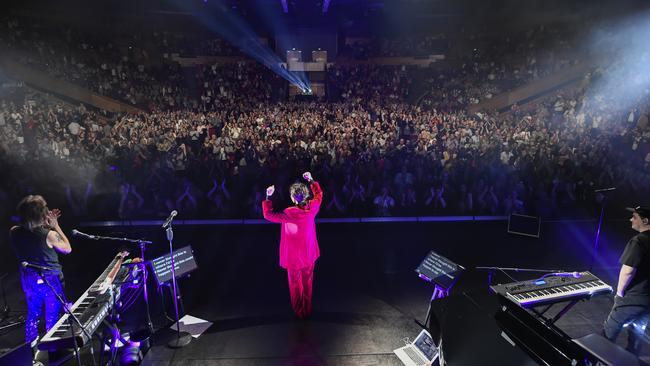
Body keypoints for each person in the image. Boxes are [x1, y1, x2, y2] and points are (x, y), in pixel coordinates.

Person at [9, 195, 72, 346]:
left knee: (33, 315)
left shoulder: (14, 232)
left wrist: (44, 224)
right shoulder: (49, 235)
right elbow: (67, 249)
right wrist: (55, 225)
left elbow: (31, 233)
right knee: (52, 316)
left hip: (30, 281)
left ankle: (30, 350)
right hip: (51, 281)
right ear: (42, 214)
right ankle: (53, 349)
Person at [263, 172, 322, 318]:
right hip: (309, 253)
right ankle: (306, 310)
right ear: (306, 195)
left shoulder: (289, 213)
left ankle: (299, 311)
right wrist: (311, 180)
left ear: (292, 198)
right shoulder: (313, 207)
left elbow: (268, 215)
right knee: (308, 282)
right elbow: (319, 195)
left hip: (293, 257)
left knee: (295, 284)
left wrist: (268, 197)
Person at [603, 205, 650, 355]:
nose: (631, 219)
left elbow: (628, 271)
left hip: (633, 298)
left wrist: (620, 293)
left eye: (634, 217)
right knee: (637, 335)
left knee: (609, 332)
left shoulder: (638, 241)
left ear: (645, 220)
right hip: (648, 301)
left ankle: (597, 360)